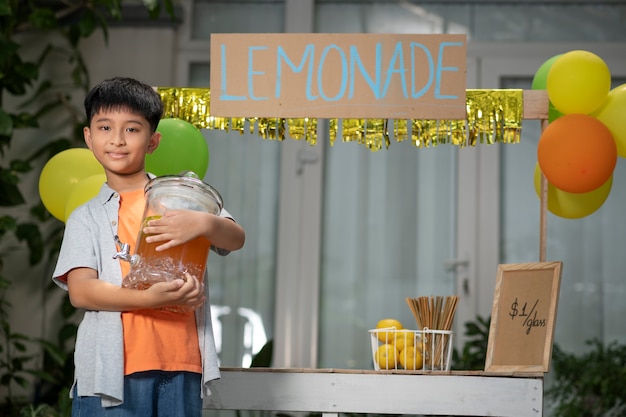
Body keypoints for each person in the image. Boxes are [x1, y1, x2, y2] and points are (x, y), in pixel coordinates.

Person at [52, 76, 245, 416]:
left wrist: (203, 222)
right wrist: (148, 299)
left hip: (183, 363)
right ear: (89, 137)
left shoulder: (183, 195)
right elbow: (81, 293)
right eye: (105, 127)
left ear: (153, 141)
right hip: (110, 371)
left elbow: (235, 238)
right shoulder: (86, 217)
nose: (117, 140)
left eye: (132, 129)